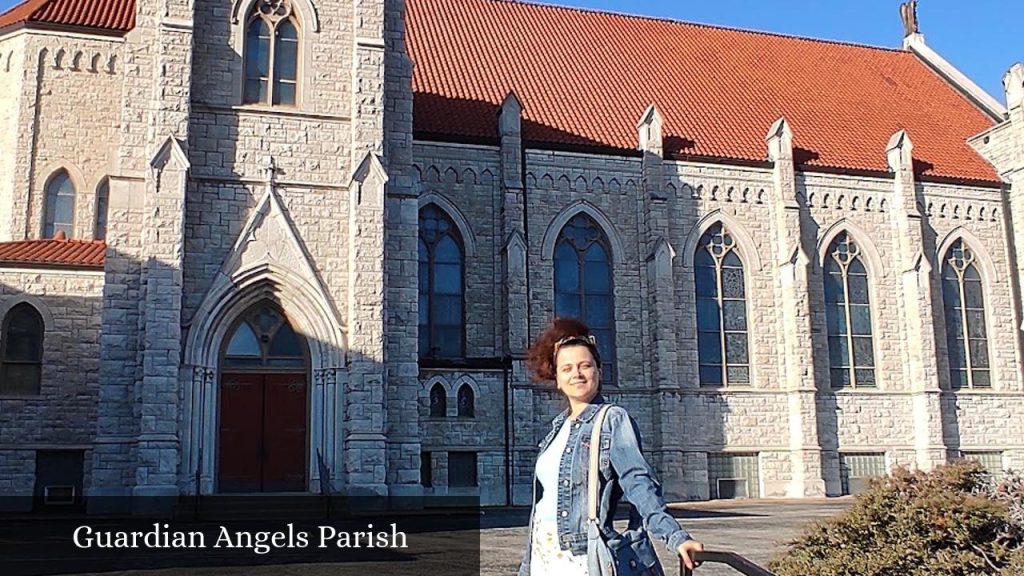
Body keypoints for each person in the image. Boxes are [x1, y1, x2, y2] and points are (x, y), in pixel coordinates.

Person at [518, 317, 703, 576]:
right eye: (567, 368)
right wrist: (526, 568)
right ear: (558, 379)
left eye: (585, 366)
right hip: (542, 559)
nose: (577, 374)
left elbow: (638, 483)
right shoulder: (556, 429)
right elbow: (540, 509)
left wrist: (676, 537)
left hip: (582, 560)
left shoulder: (612, 419)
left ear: (599, 372)